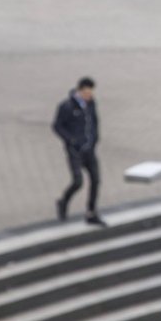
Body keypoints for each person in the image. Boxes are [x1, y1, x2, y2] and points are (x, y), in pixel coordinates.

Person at [53, 77, 106, 226]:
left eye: (91, 92)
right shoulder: (67, 106)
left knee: (95, 180)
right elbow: (57, 126)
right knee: (78, 182)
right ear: (80, 91)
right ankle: (63, 201)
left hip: (89, 149)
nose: (89, 95)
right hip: (75, 151)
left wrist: (95, 139)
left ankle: (91, 212)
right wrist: (70, 140)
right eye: (87, 92)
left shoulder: (91, 104)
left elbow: (95, 122)